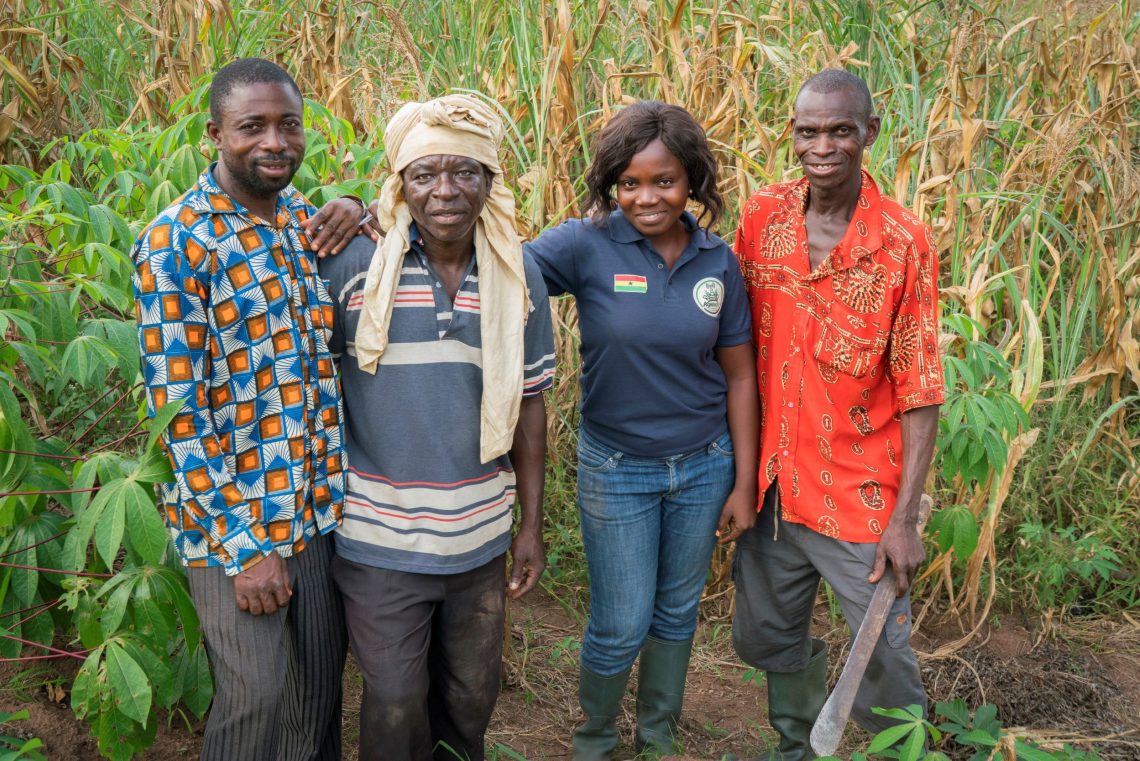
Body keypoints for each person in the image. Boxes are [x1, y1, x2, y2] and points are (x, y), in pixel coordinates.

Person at [315, 94, 555, 761]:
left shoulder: (517, 270)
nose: (445, 190)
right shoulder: (353, 265)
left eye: (464, 172)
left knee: (470, 698)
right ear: (400, 185)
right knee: (393, 698)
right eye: (424, 174)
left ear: (489, 180)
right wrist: (347, 209)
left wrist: (528, 526)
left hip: (478, 541)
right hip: (378, 539)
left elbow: (531, 402)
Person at [525, 101, 760, 758]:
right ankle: (595, 738)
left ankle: (657, 736)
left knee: (676, 611)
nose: (646, 197)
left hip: (704, 465)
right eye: (630, 182)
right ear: (611, 185)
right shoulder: (585, 243)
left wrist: (743, 480)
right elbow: (496, 268)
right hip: (616, 469)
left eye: (664, 181)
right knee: (620, 623)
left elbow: (740, 376)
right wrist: (375, 217)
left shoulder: (719, 261)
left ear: (692, 181)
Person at [130, 59, 346, 761]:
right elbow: (179, 414)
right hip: (237, 527)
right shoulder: (177, 241)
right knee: (254, 696)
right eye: (252, 126)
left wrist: (357, 206)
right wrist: (245, 549)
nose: (274, 141)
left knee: (314, 694)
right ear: (213, 134)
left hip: (313, 510)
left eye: (288, 124)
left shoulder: (300, 223)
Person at [731, 69, 945, 760]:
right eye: (808, 131)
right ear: (793, 134)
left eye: (840, 131)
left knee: (882, 652)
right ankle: (796, 745)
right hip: (772, 487)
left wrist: (904, 518)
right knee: (768, 634)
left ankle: (904, 750)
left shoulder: (903, 242)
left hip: (859, 494)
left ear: (869, 135)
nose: (822, 146)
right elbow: (728, 342)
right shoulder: (762, 217)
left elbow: (919, 388)